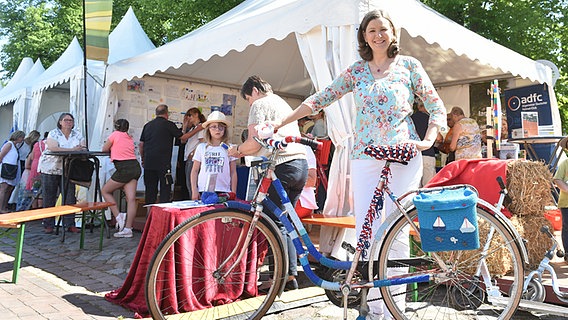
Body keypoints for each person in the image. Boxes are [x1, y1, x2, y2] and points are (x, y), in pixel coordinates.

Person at [275, 10, 446, 318]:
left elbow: (436, 106)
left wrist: (428, 140)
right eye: (371, 30)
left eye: (383, 29)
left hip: (403, 156)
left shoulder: (409, 65)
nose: (377, 35)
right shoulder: (357, 71)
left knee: (395, 228)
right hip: (366, 157)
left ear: (393, 33)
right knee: (370, 231)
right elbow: (322, 98)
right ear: (364, 37)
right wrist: (282, 121)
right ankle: (375, 307)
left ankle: (396, 307)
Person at [228, 75, 308, 291]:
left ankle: (279, 278)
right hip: (300, 163)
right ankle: (290, 276)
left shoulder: (260, 103)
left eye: (247, 99)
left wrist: (236, 150)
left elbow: (254, 143)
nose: (249, 104)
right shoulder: (282, 102)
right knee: (285, 223)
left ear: (254, 91)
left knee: (275, 223)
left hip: (281, 164)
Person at [38, 113, 86, 234]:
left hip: (68, 169)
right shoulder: (54, 133)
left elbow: (83, 147)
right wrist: (73, 150)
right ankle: (48, 224)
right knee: (49, 196)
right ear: (60, 122)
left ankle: (69, 223)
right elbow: (53, 148)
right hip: (51, 168)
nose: (68, 122)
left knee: (70, 197)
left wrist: (77, 150)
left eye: (71, 120)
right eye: (66, 120)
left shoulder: (77, 134)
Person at [139, 104, 192, 206]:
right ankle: (163, 215)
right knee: (165, 190)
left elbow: (141, 144)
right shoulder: (169, 125)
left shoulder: (147, 125)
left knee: (150, 190)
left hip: (149, 163)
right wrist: (198, 129)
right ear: (167, 114)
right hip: (163, 164)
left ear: (156, 114)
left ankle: (149, 215)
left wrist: (143, 159)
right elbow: (183, 137)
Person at [101, 119, 142, 238]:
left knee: (105, 191)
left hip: (124, 168)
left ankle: (118, 216)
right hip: (134, 167)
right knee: (131, 199)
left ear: (116, 127)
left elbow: (104, 149)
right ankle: (128, 228)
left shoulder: (114, 135)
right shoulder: (129, 137)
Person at [190, 111, 237, 199]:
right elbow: (194, 171)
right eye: (213, 127)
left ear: (225, 130)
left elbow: (233, 172)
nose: (217, 130)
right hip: (203, 190)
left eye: (221, 127)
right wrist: (194, 190)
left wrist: (233, 192)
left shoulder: (230, 148)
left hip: (224, 190)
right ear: (208, 129)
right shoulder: (201, 147)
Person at [411, 99, 437, 185]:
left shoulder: (410, 119)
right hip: (428, 154)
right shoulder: (430, 118)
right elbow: (439, 138)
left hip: (414, 155)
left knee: (415, 184)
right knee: (428, 185)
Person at [182, 107, 206, 200]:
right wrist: (185, 125)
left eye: (190, 116)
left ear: (196, 114)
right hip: (189, 158)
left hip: (193, 159)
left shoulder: (201, 127)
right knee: (189, 183)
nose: (189, 118)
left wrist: (193, 153)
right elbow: (183, 140)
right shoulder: (194, 128)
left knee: (192, 184)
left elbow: (202, 142)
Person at [0, 130, 25, 213]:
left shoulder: (15, 146)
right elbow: (1, 155)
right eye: (22, 137)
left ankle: (4, 206)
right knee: (4, 188)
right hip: (6, 168)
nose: (22, 139)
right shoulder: (9, 144)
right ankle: (1, 207)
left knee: (9, 188)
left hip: (12, 169)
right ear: (17, 137)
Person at [553, 137, 568, 264]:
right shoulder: (565, 164)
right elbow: (557, 180)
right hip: (567, 203)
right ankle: (567, 253)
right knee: (567, 227)